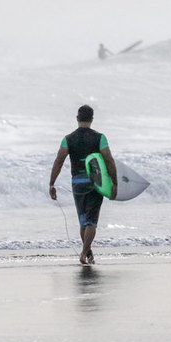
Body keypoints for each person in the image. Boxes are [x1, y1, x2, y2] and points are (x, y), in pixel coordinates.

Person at [49, 104, 118, 265]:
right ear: (92, 119)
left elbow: (59, 160)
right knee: (91, 221)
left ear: (77, 118)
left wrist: (51, 183)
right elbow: (108, 160)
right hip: (95, 182)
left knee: (83, 220)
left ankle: (89, 254)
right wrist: (114, 182)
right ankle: (84, 253)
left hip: (77, 183)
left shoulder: (68, 139)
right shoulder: (100, 137)